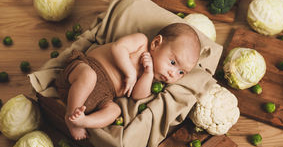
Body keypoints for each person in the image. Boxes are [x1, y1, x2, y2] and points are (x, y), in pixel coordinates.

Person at [55, 23, 201, 140]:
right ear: (156, 43)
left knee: (115, 110)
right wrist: (130, 72)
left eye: (181, 73)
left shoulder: (151, 77)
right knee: (89, 77)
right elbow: (117, 48)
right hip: (82, 71)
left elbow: (137, 96)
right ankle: (70, 115)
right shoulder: (141, 42)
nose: (172, 73)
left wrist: (148, 73)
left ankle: (83, 121)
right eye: (173, 62)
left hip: (101, 97)